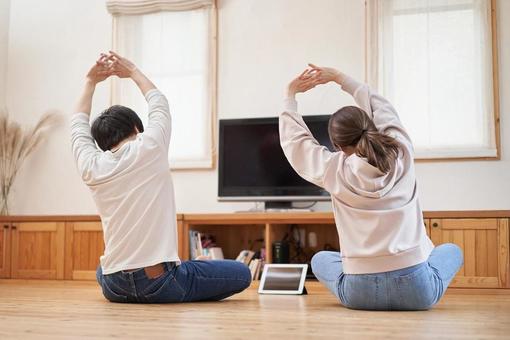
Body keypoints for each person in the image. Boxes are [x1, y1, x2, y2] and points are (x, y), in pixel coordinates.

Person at [279, 64, 463, 311]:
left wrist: (289, 95)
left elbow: (296, 144)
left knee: (321, 259)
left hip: (359, 293)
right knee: (451, 250)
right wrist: (340, 78)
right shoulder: (402, 152)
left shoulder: (332, 169)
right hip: (417, 291)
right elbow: (383, 107)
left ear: (337, 144)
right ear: (372, 126)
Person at [71, 52, 251, 303]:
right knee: (242, 273)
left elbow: (77, 125)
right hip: (160, 283)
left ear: (101, 143)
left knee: (104, 269)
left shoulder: (91, 165)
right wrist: (132, 70)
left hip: (114, 287)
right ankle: (188, 267)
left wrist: (90, 81)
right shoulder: (150, 146)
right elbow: (158, 102)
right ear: (136, 129)